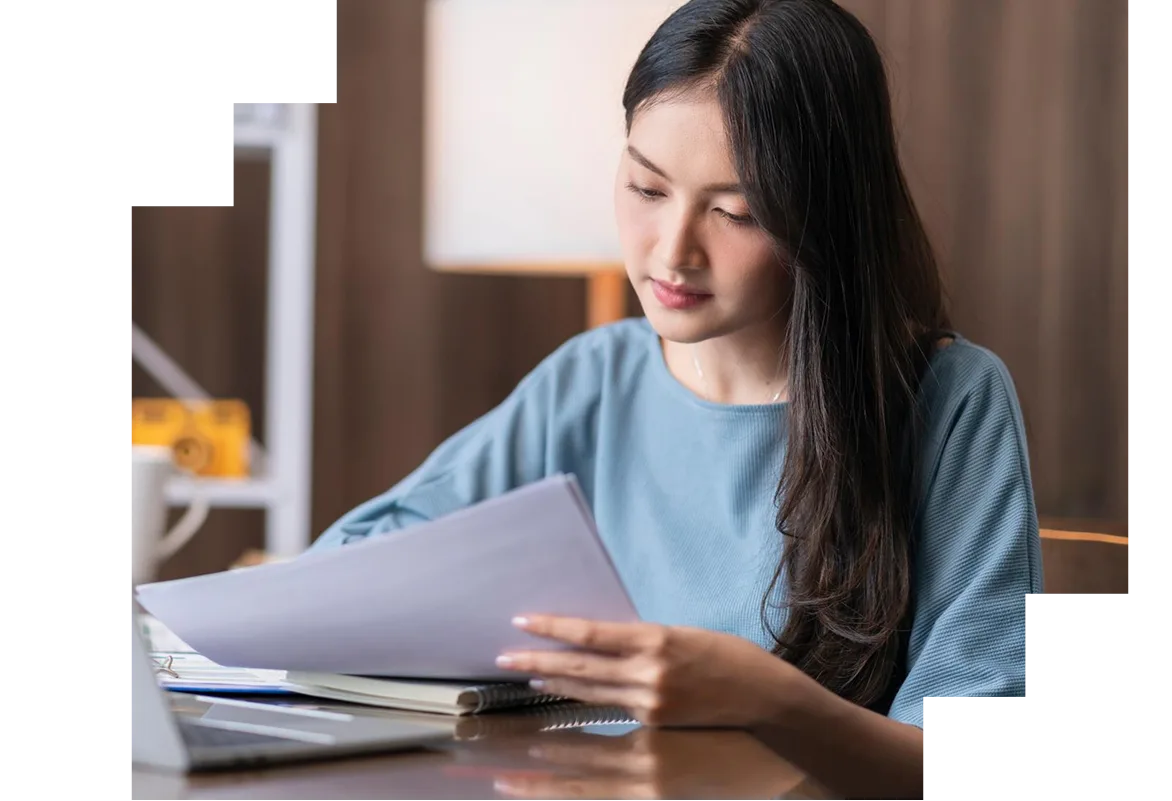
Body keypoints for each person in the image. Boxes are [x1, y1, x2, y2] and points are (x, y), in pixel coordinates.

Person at [309, 0, 1042, 796]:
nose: (672, 250)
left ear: (822, 218)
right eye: (646, 188)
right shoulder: (592, 382)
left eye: (736, 211)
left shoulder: (950, 401)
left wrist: (770, 701)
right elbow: (344, 569)